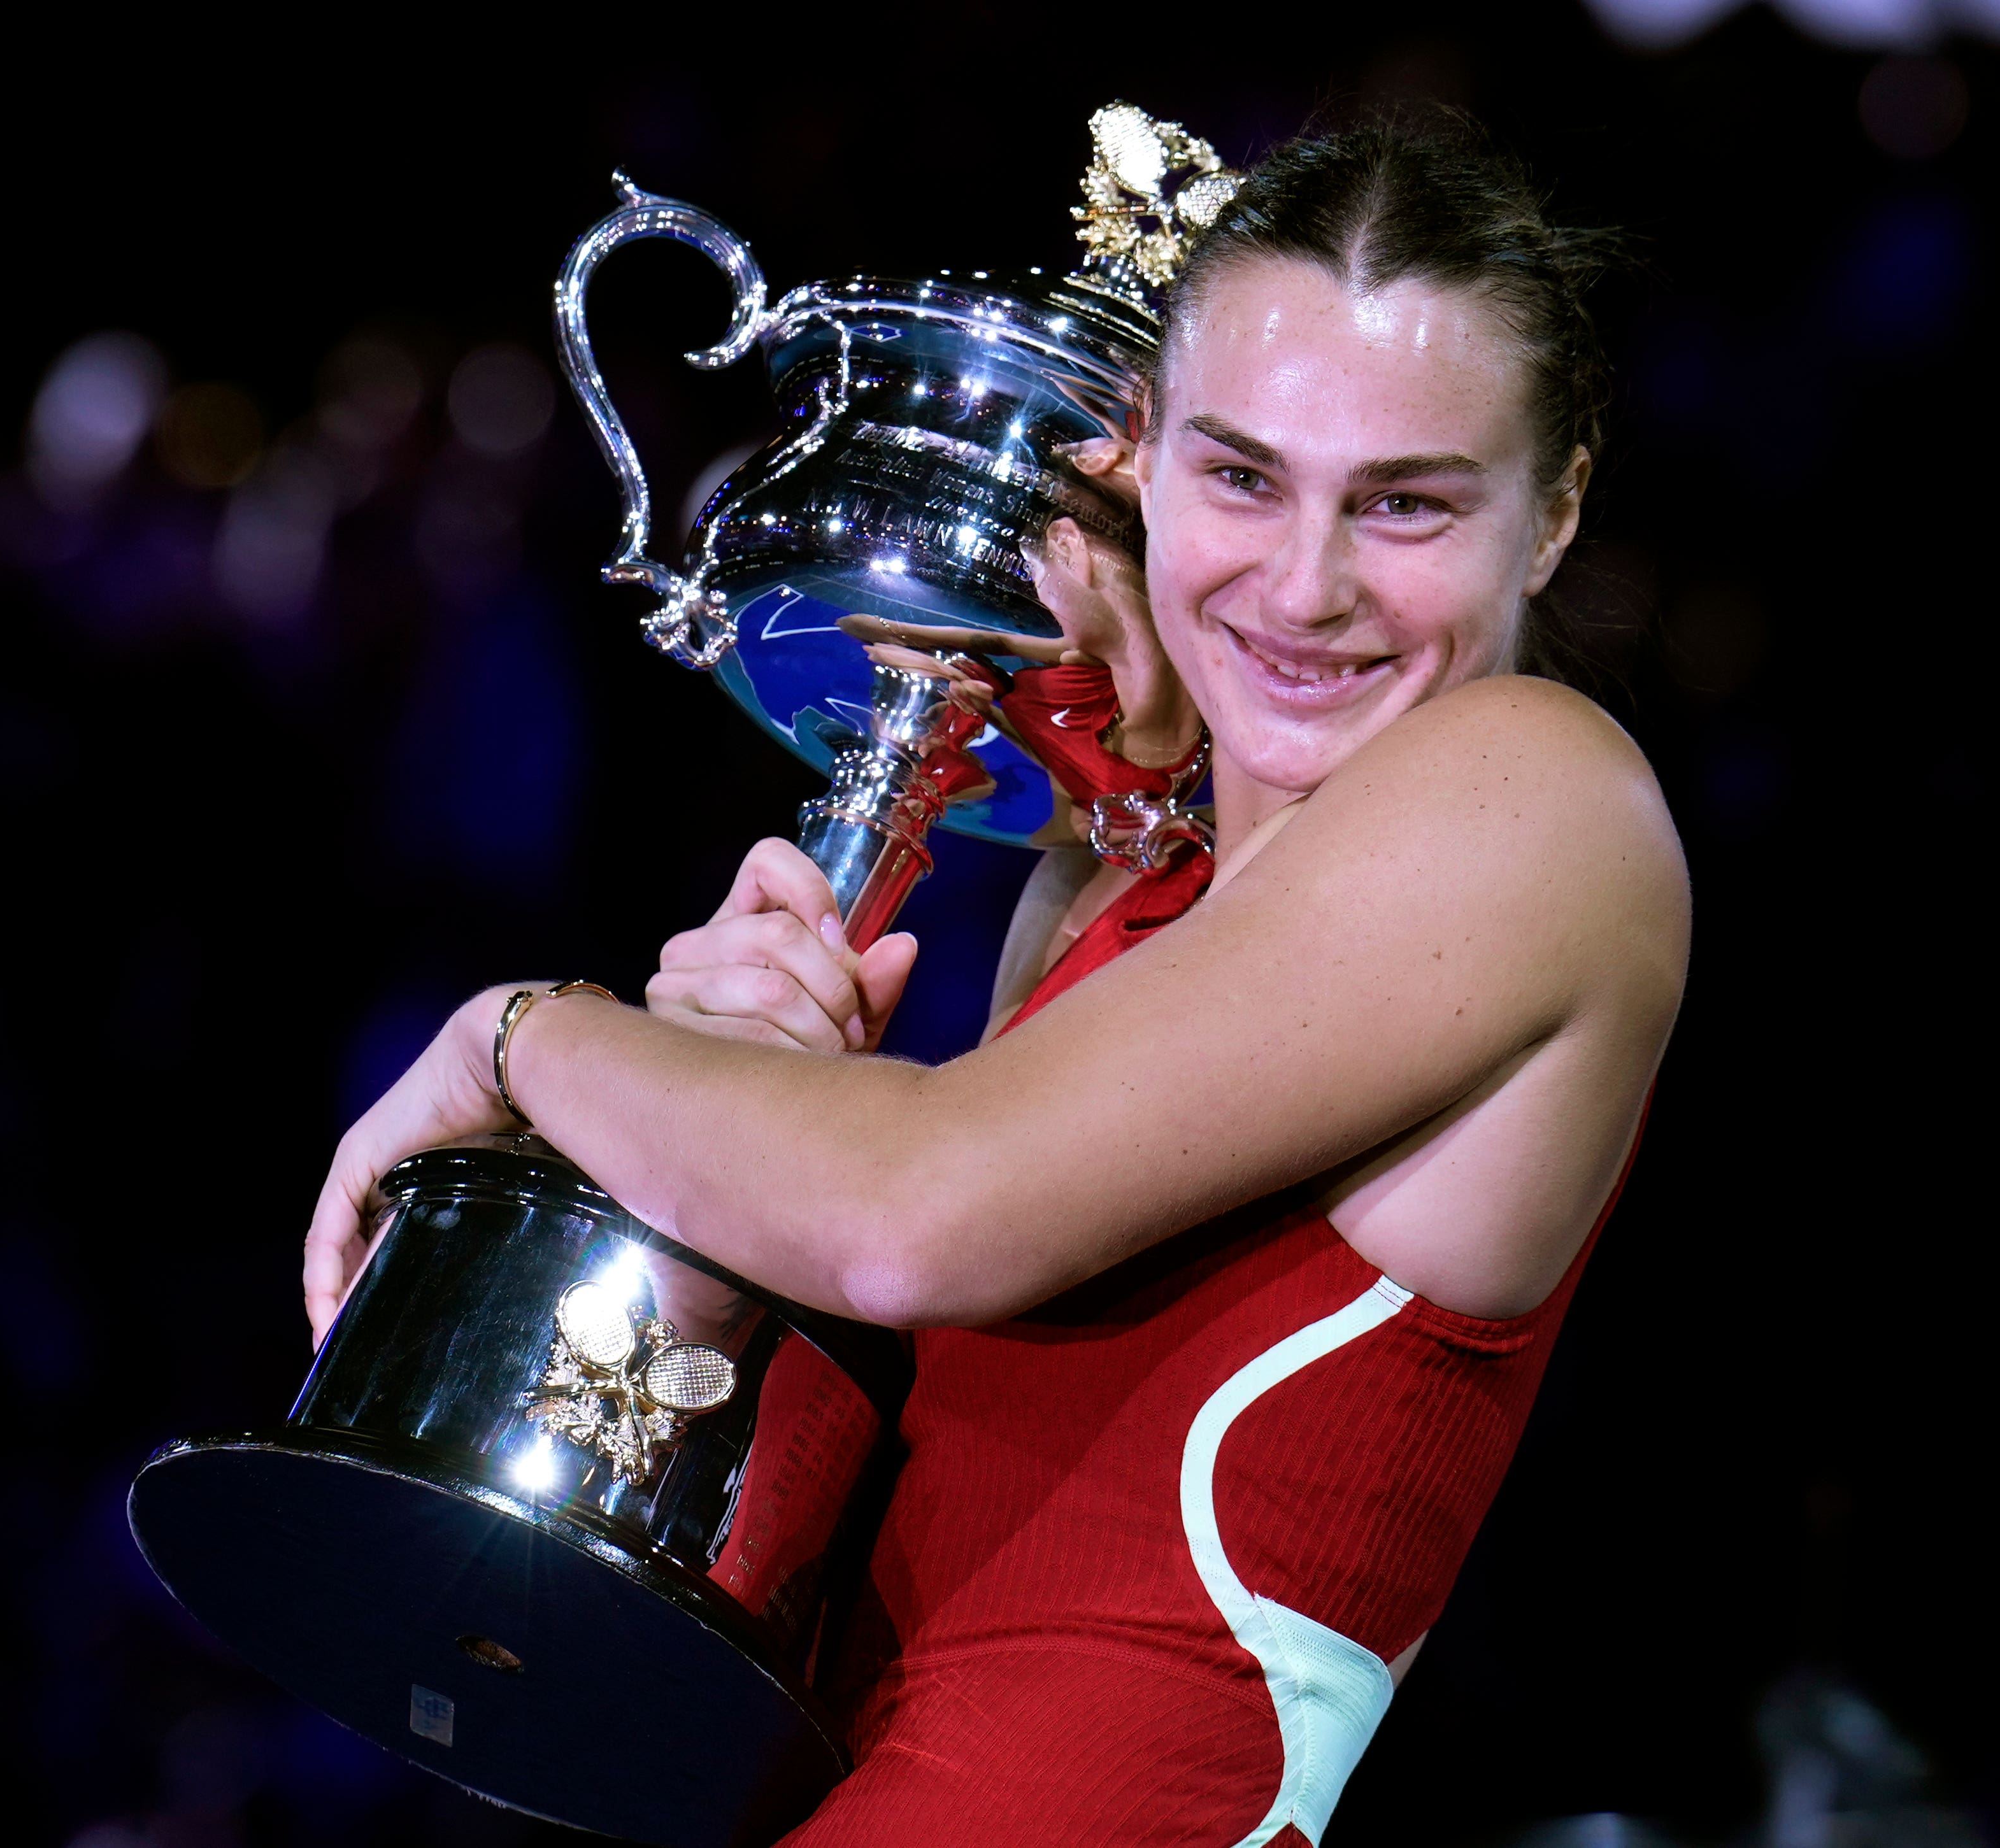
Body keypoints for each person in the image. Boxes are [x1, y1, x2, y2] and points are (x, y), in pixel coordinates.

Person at [304, 115, 1689, 1847]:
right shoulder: (1112, 882)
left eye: (1403, 502)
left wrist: (513, 1039)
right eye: (1239, 476)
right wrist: (734, 1143)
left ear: (1551, 513)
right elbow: (906, 1467)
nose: (1306, 584)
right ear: (1141, 456)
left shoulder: (1537, 792)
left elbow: (916, 1214)